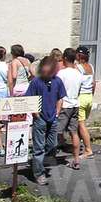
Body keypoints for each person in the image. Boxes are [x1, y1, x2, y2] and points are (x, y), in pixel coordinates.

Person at [25, 56, 66, 185]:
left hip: (52, 117)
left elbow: (60, 98)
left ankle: (39, 162)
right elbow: (30, 98)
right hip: (40, 118)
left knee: (52, 144)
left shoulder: (57, 81)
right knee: (39, 148)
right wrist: (35, 114)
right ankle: (39, 173)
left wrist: (57, 112)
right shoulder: (36, 82)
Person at [55, 48, 82, 170]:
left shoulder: (62, 73)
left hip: (64, 104)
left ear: (65, 58)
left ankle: (49, 156)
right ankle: (76, 160)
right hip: (75, 103)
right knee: (74, 132)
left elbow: (57, 90)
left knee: (55, 131)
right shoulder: (78, 73)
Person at [75, 46, 95, 160]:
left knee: (81, 125)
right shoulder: (91, 67)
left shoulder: (78, 67)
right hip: (89, 97)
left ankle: (88, 149)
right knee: (82, 124)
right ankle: (81, 145)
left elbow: (76, 84)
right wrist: (92, 95)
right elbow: (94, 83)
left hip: (81, 97)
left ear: (78, 56)